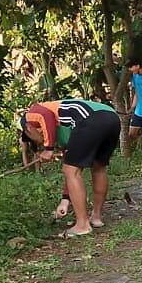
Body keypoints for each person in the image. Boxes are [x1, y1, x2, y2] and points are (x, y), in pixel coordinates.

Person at [20, 98, 122, 238]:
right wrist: (65, 200)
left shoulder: (31, 113)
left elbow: (46, 116)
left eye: (32, 138)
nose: (40, 139)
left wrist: (48, 149)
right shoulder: (64, 130)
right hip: (112, 118)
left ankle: (82, 225)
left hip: (90, 118)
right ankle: (96, 217)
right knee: (98, 167)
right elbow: (72, 168)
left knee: (71, 170)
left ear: (28, 128)